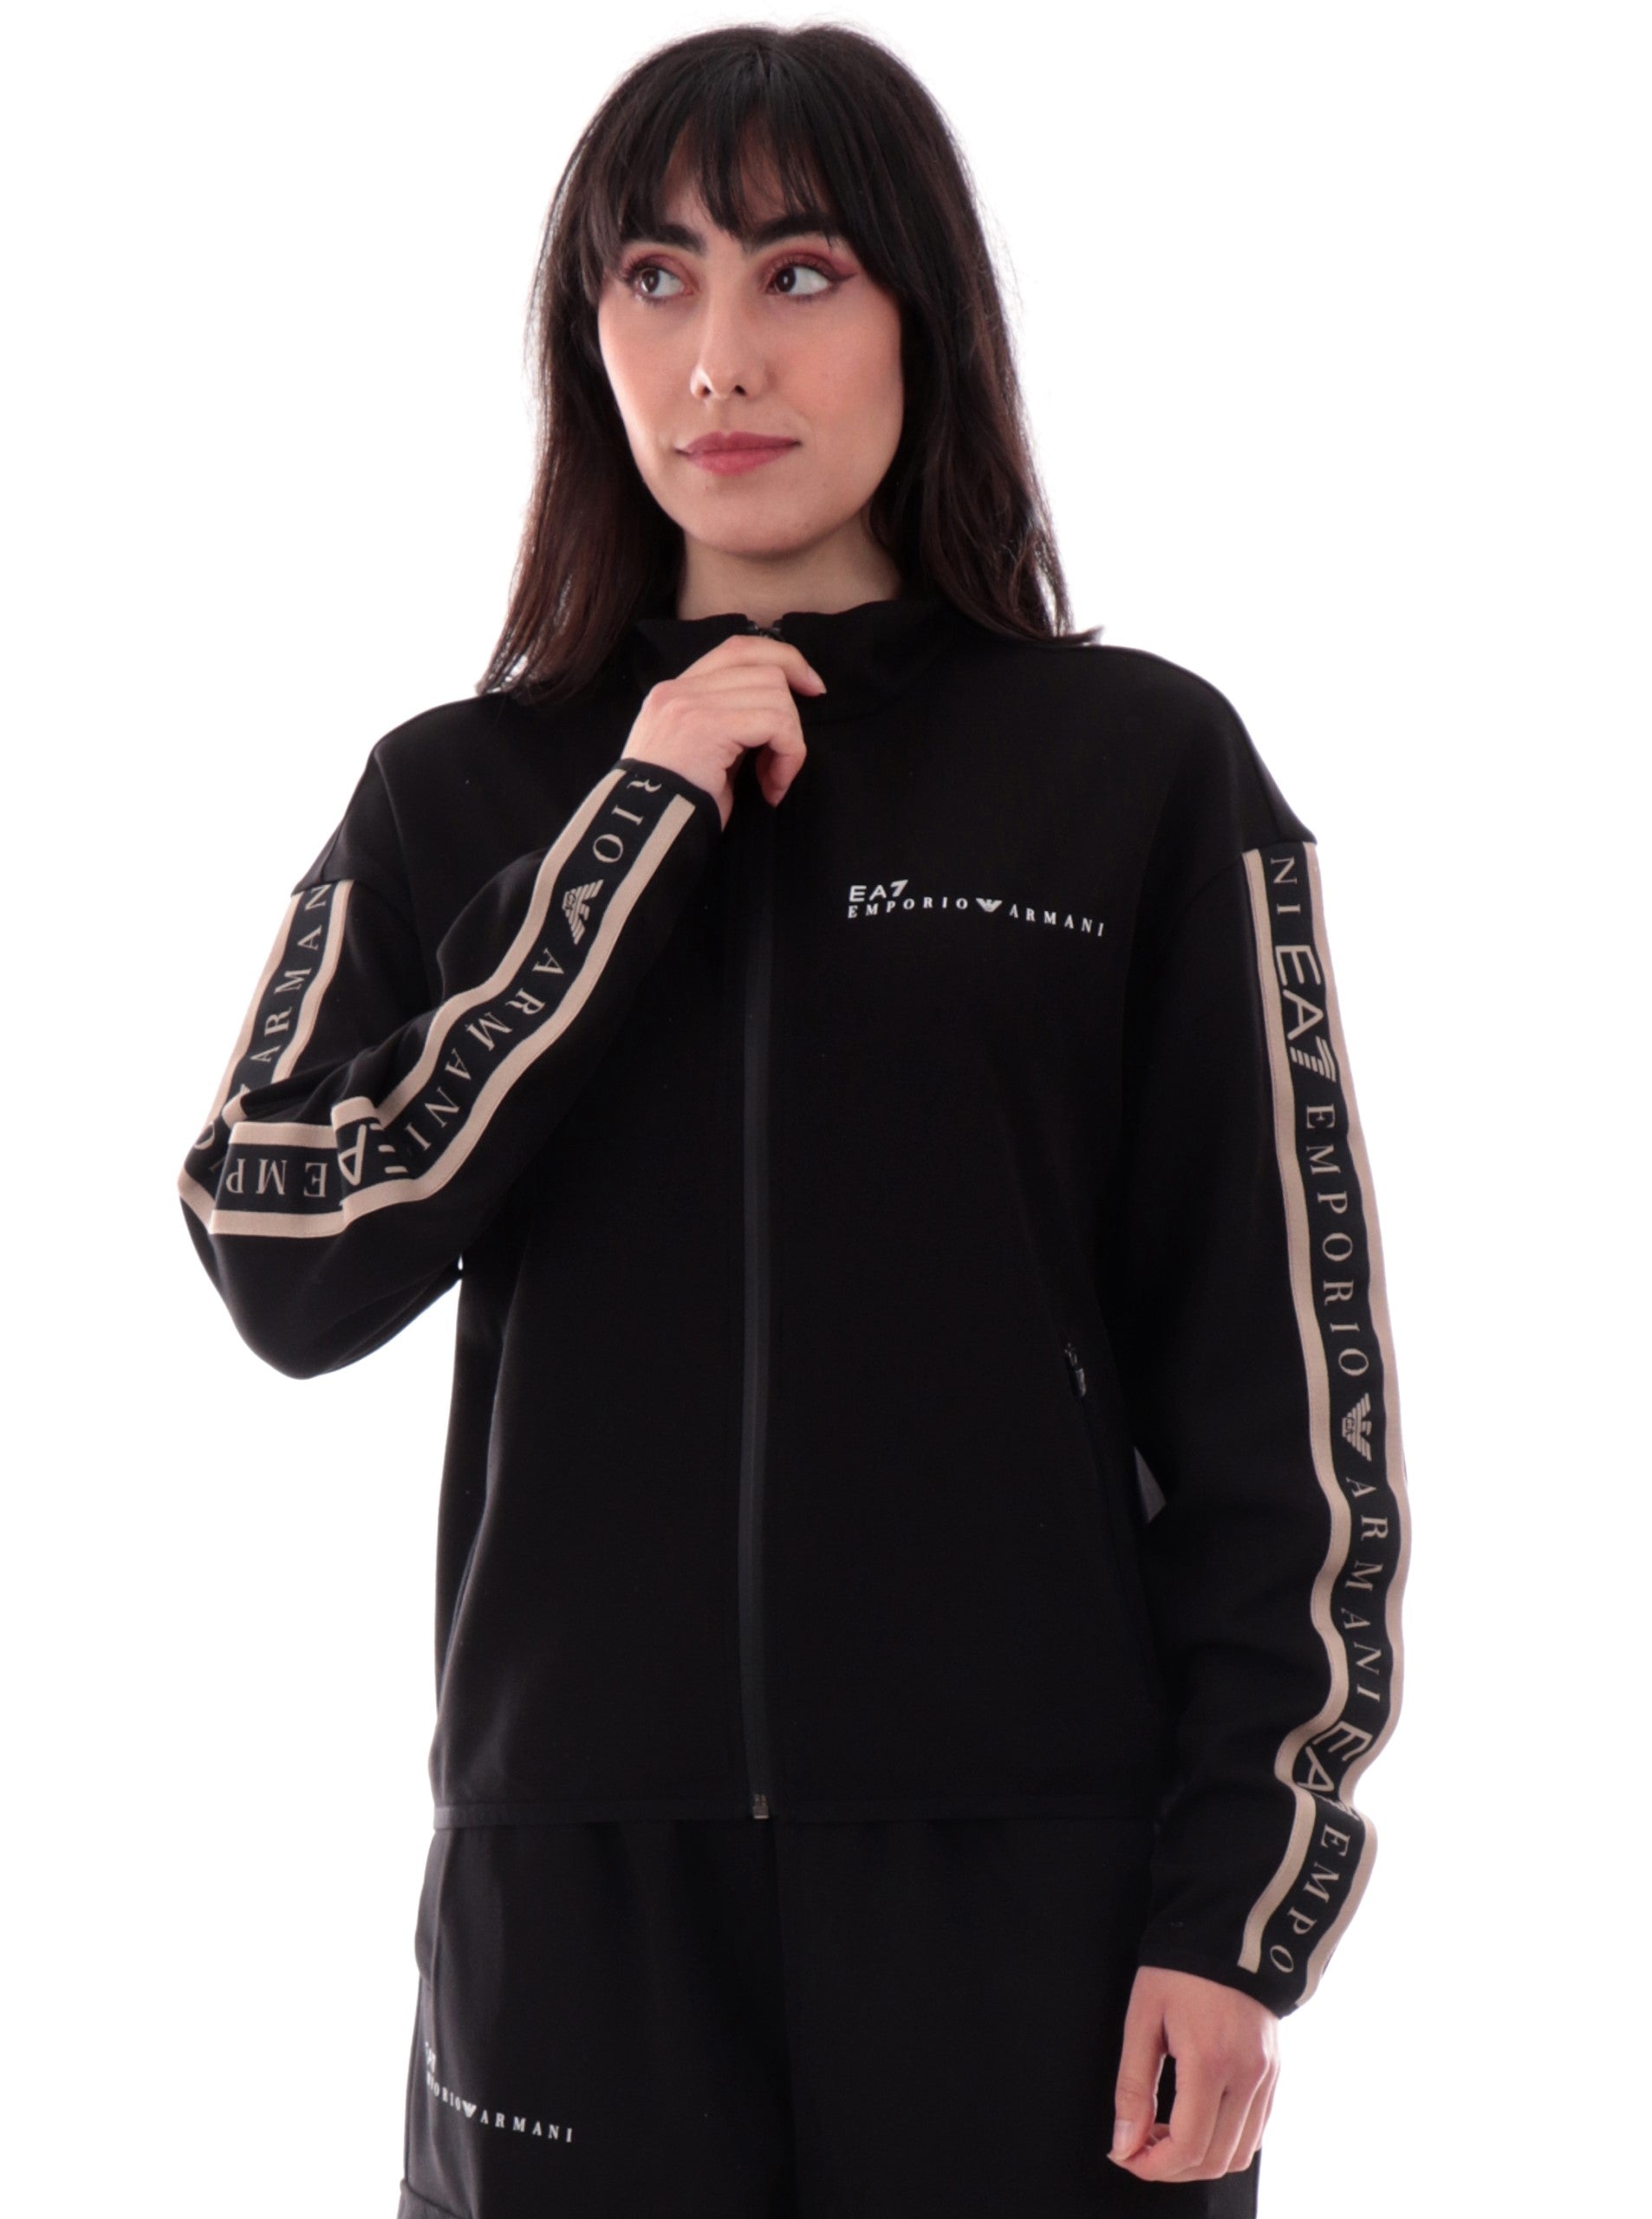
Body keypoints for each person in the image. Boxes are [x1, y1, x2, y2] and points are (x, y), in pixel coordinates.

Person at [177, 23, 1408, 2217]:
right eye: (654, 278)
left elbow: (1287, 1389)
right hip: (575, 1913)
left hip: (1035, 1903)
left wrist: (1242, 1907)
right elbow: (282, 1249)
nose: (719, 358)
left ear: (929, 314)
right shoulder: (458, 792)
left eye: (800, 273)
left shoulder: (1139, 770)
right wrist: (632, 824)